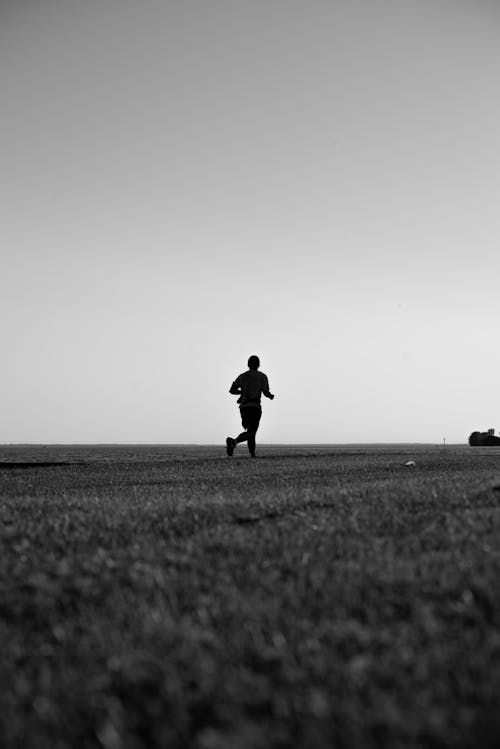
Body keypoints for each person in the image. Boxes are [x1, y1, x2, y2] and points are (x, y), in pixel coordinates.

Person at [226, 355, 275, 458]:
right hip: (255, 407)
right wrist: (271, 396)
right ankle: (234, 442)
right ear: (258, 364)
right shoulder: (262, 376)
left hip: (244, 408)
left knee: (250, 431)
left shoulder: (242, 376)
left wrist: (242, 392)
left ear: (248, 364)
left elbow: (232, 390)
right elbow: (266, 392)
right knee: (252, 432)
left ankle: (252, 455)